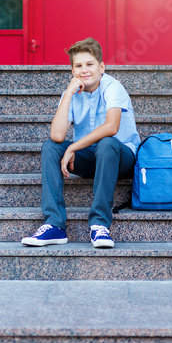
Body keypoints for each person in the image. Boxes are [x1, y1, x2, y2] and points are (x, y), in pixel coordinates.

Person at [21, 37, 140, 248]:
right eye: (78, 66)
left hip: (121, 157)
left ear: (101, 67)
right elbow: (57, 136)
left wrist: (74, 147)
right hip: (89, 158)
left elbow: (111, 127)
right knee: (51, 147)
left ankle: (99, 225)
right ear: (72, 71)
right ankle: (55, 225)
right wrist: (68, 93)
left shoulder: (113, 87)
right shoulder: (72, 93)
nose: (84, 70)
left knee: (107, 143)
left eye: (90, 64)